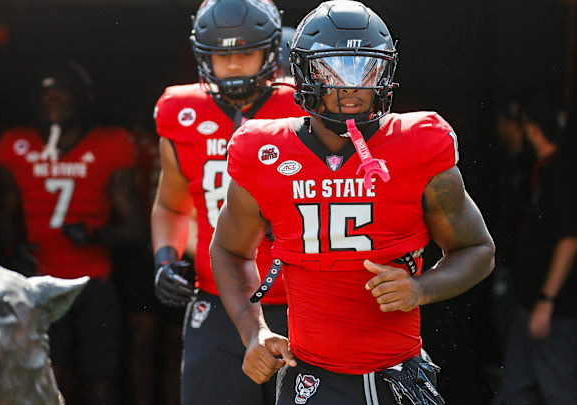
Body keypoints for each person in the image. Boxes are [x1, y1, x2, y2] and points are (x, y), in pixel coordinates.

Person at [210, 1, 495, 404]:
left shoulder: (420, 143)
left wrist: (421, 288)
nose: (352, 86)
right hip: (309, 377)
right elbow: (227, 248)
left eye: (367, 68)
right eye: (334, 69)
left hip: (399, 375)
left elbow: (478, 250)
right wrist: (252, 329)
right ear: (304, 73)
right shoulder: (262, 150)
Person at [151, 0, 305, 403]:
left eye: (245, 52)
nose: (234, 64)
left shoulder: (303, 107)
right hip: (217, 297)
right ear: (204, 55)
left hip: (302, 300)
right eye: (223, 54)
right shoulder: (179, 111)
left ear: (271, 51)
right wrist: (165, 258)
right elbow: (170, 203)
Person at [0, 59, 145, 405]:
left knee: (100, 380)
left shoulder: (111, 145)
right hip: (38, 282)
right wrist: (10, 248)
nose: (55, 103)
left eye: (63, 96)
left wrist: (98, 236)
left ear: (81, 100)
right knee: (46, 377)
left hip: (94, 281)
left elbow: (137, 228)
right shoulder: (15, 145)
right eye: (48, 96)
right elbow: (2, 215)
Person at [501, 102, 577, 405]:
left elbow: (570, 239)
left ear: (533, 130)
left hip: (555, 310)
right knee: (516, 385)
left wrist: (547, 301)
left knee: (557, 389)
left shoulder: (563, 171)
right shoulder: (542, 169)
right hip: (527, 303)